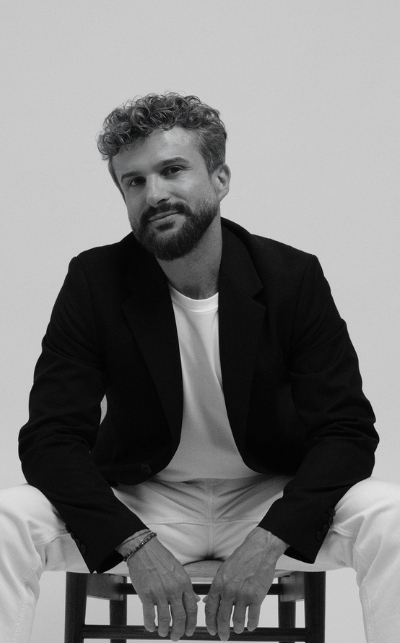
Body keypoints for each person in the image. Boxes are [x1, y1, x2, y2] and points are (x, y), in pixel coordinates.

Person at [1, 93, 399, 643]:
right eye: (134, 181)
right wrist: (134, 543)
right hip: (147, 502)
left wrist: (270, 540)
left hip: (266, 497)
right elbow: (50, 439)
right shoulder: (95, 280)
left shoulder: (291, 277)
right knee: (9, 518)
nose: (154, 194)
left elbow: (347, 432)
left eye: (172, 170)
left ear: (220, 178)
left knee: (390, 514)